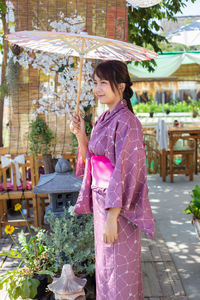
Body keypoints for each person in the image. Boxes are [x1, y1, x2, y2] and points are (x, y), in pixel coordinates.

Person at [70, 60, 155, 300]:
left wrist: (112, 216)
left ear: (120, 85)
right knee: (106, 268)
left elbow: (125, 171)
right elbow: (92, 159)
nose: (97, 88)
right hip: (103, 203)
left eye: (103, 83)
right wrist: (80, 135)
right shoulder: (103, 118)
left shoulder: (127, 121)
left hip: (116, 208)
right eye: (95, 83)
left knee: (119, 270)